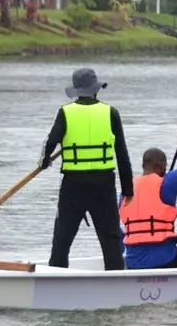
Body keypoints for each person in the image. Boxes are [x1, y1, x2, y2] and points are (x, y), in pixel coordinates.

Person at [41, 68, 133, 270]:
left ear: (76, 91)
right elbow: (122, 154)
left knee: (62, 239)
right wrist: (128, 190)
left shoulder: (65, 112)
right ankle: (116, 278)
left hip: (73, 184)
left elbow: (51, 142)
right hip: (104, 184)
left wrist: (45, 160)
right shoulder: (111, 113)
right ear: (96, 89)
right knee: (110, 239)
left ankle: (55, 277)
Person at [120, 122, 177, 269]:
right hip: (164, 259)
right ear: (163, 165)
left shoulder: (126, 191)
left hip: (133, 261)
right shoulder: (167, 184)